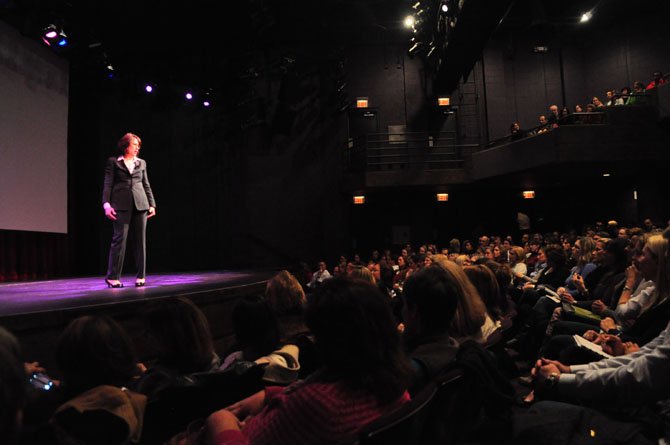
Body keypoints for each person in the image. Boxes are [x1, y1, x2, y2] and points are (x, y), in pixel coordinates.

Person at [204, 277, 411, 445]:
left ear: (332, 341)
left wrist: (220, 422)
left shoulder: (318, 404)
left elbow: (313, 404)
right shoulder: (395, 385)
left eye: (319, 333)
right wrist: (271, 394)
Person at [102, 133, 156, 288]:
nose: (137, 148)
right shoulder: (113, 162)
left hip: (141, 204)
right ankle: (112, 277)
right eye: (134, 144)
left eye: (138, 145)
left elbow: (146, 184)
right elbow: (108, 184)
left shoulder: (142, 163)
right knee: (119, 240)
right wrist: (106, 205)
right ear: (125, 145)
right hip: (121, 204)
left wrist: (152, 204)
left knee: (140, 241)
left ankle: (141, 276)